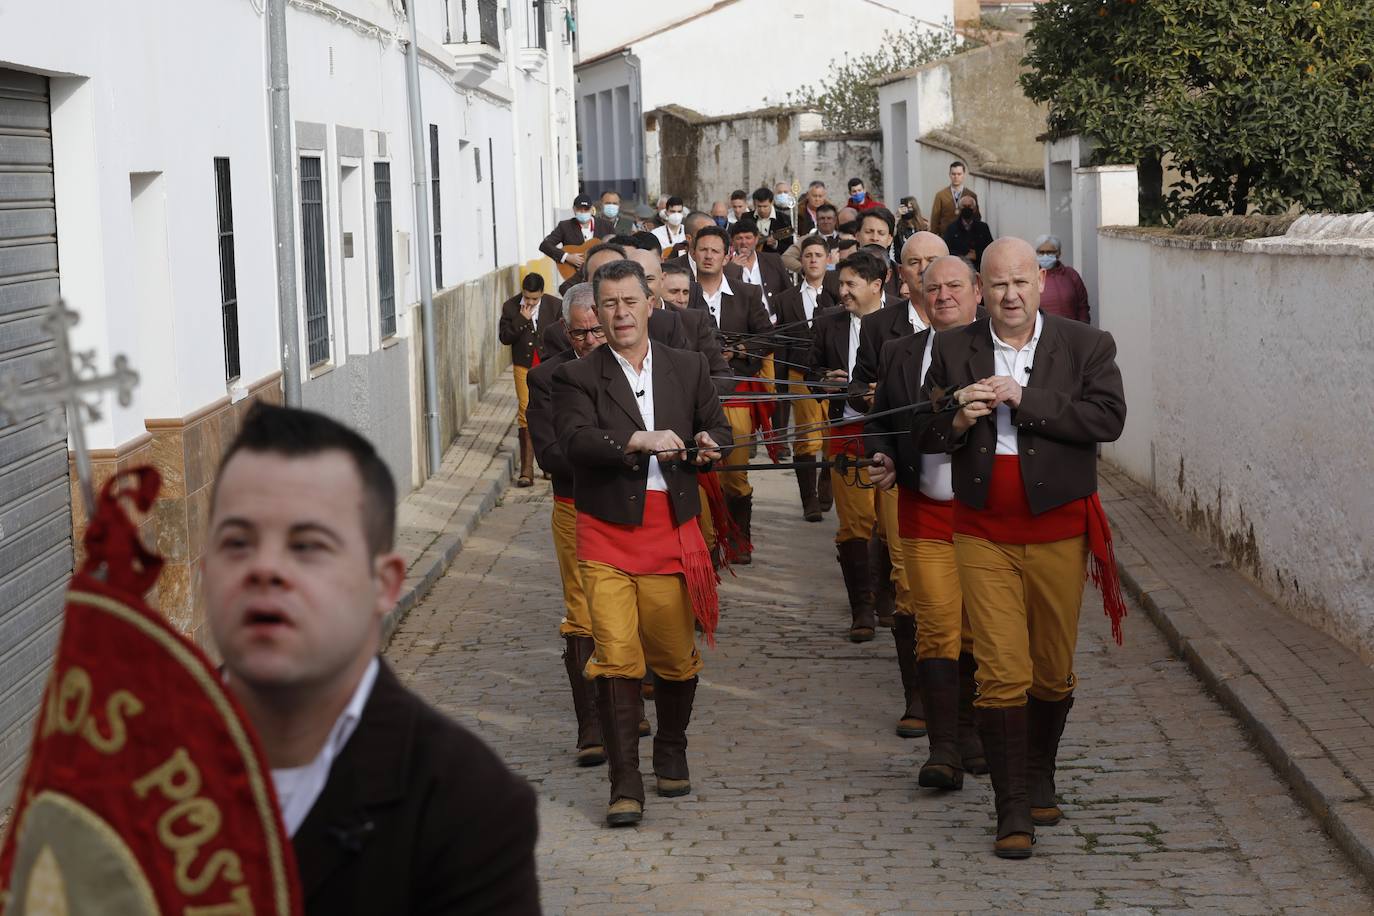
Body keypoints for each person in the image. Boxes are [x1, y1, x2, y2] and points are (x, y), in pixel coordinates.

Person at [205, 404, 539, 913]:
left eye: (307, 546)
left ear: (383, 584)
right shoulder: (123, 770)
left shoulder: (467, 803)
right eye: (238, 543)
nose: (265, 569)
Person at [914, 236, 1127, 859]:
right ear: (981, 291)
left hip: (1058, 529)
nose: (1010, 296)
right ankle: (1011, 810)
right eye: (998, 285)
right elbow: (922, 427)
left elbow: (1106, 419)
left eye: (1020, 283)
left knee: (1052, 670)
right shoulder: (954, 346)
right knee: (1001, 670)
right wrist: (958, 417)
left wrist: (1022, 398)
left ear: (1041, 283)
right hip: (981, 530)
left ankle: (1039, 772)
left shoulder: (1087, 345)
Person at [552, 258, 731, 828]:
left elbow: (719, 429)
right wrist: (636, 440)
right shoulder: (576, 377)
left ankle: (671, 748)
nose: (621, 313)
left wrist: (709, 443)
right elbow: (576, 441)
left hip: (671, 533)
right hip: (606, 534)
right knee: (619, 658)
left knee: (676, 659)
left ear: (650, 303)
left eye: (630, 301)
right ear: (597, 314)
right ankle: (624, 783)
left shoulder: (689, 365)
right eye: (610, 304)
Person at [867, 254, 987, 779]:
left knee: (978, 630)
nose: (942, 295)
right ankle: (944, 749)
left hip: (981, 514)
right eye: (932, 286)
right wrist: (884, 455)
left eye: (954, 286)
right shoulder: (899, 351)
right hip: (921, 510)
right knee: (937, 626)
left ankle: (975, 733)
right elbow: (881, 421)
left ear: (976, 291)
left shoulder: (997, 352)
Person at [526, 284, 608, 769]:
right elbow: (552, 454)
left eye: (599, 329)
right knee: (582, 612)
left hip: (635, 506)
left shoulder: (639, 368)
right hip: (575, 505)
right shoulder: (546, 379)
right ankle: (591, 725)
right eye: (582, 333)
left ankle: (623, 701)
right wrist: (620, 452)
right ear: (567, 331)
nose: (593, 339)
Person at [806, 249, 891, 642]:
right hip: (846, 433)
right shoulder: (828, 323)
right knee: (856, 523)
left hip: (892, 435)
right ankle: (863, 608)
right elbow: (811, 373)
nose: (842, 292)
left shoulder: (902, 321)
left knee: (891, 524)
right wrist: (824, 380)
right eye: (840, 283)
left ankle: (890, 598)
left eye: (851, 284)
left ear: (877, 285)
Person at [688, 225, 772, 560]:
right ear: (693, 253)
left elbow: (768, 336)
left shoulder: (747, 294)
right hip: (693, 393)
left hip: (735, 390)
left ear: (727, 256)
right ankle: (708, 543)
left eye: (714, 251)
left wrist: (739, 350)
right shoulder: (683, 294)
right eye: (702, 249)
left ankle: (738, 538)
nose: (708, 256)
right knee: (701, 472)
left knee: (734, 473)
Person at [771, 235, 839, 522]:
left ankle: (827, 482)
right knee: (806, 435)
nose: (813, 260)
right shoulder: (786, 299)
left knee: (833, 434)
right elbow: (782, 341)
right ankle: (808, 499)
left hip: (835, 374)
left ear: (827, 259)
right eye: (808, 255)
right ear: (802, 261)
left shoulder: (838, 293)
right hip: (800, 372)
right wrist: (781, 382)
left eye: (818, 255)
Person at [498, 273, 563, 487]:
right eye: (527, 297)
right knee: (526, 411)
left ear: (542, 294)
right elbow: (505, 337)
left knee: (551, 411)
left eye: (534, 299)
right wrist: (521, 320)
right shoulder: (510, 307)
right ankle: (527, 469)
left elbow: (563, 334)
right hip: (523, 366)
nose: (530, 302)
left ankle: (550, 465)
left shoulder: (555, 306)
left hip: (548, 365)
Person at [540, 193, 613, 268]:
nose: (583, 212)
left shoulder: (606, 226)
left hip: (602, 272)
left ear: (592, 209)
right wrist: (567, 257)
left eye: (586, 209)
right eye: (579, 209)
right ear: (574, 209)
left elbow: (616, 248)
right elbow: (545, 245)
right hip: (575, 274)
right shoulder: (565, 226)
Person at [1035, 234, 1090, 324]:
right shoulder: (1032, 276)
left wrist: (1084, 328)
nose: (1045, 256)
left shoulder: (1070, 274)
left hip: (1070, 331)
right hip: (1043, 332)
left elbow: (1083, 306)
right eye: (1041, 252)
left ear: (1058, 253)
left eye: (1050, 252)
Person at [781, 202, 839, 273]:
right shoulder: (806, 239)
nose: (826, 221)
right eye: (822, 218)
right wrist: (805, 269)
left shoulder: (845, 239)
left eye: (829, 218)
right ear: (817, 220)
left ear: (835, 220)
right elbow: (785, 258)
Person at [942, 196, 994, 270]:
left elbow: (990, 249)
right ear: (960, 209)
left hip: (979, 268)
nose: (967, 209)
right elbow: (947, 250)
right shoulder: (952, 228)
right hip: (958, 268)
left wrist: (977, 255)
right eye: (964, 206)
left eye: (969, 206)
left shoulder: (983, 227)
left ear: (975, 209)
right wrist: (963, 257)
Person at [930, 160, 979, 238]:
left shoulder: (971, 195)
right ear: (949, 175)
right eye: (953, 174)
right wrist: (933, 236)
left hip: (966, 236)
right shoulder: (940, 195)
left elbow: (976, 217)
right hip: (946, 236)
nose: (956, 177)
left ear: (964, 175)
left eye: (959, 174)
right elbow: (935, 219)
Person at [750, 187, 793, 253]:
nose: (762, 210)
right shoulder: (746, 217)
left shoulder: (783, 219)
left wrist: (775, 244)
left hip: (773, 259)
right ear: (754, 203)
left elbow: (789, 246)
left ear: (772, 202)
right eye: (759, 206)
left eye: (765, 206)